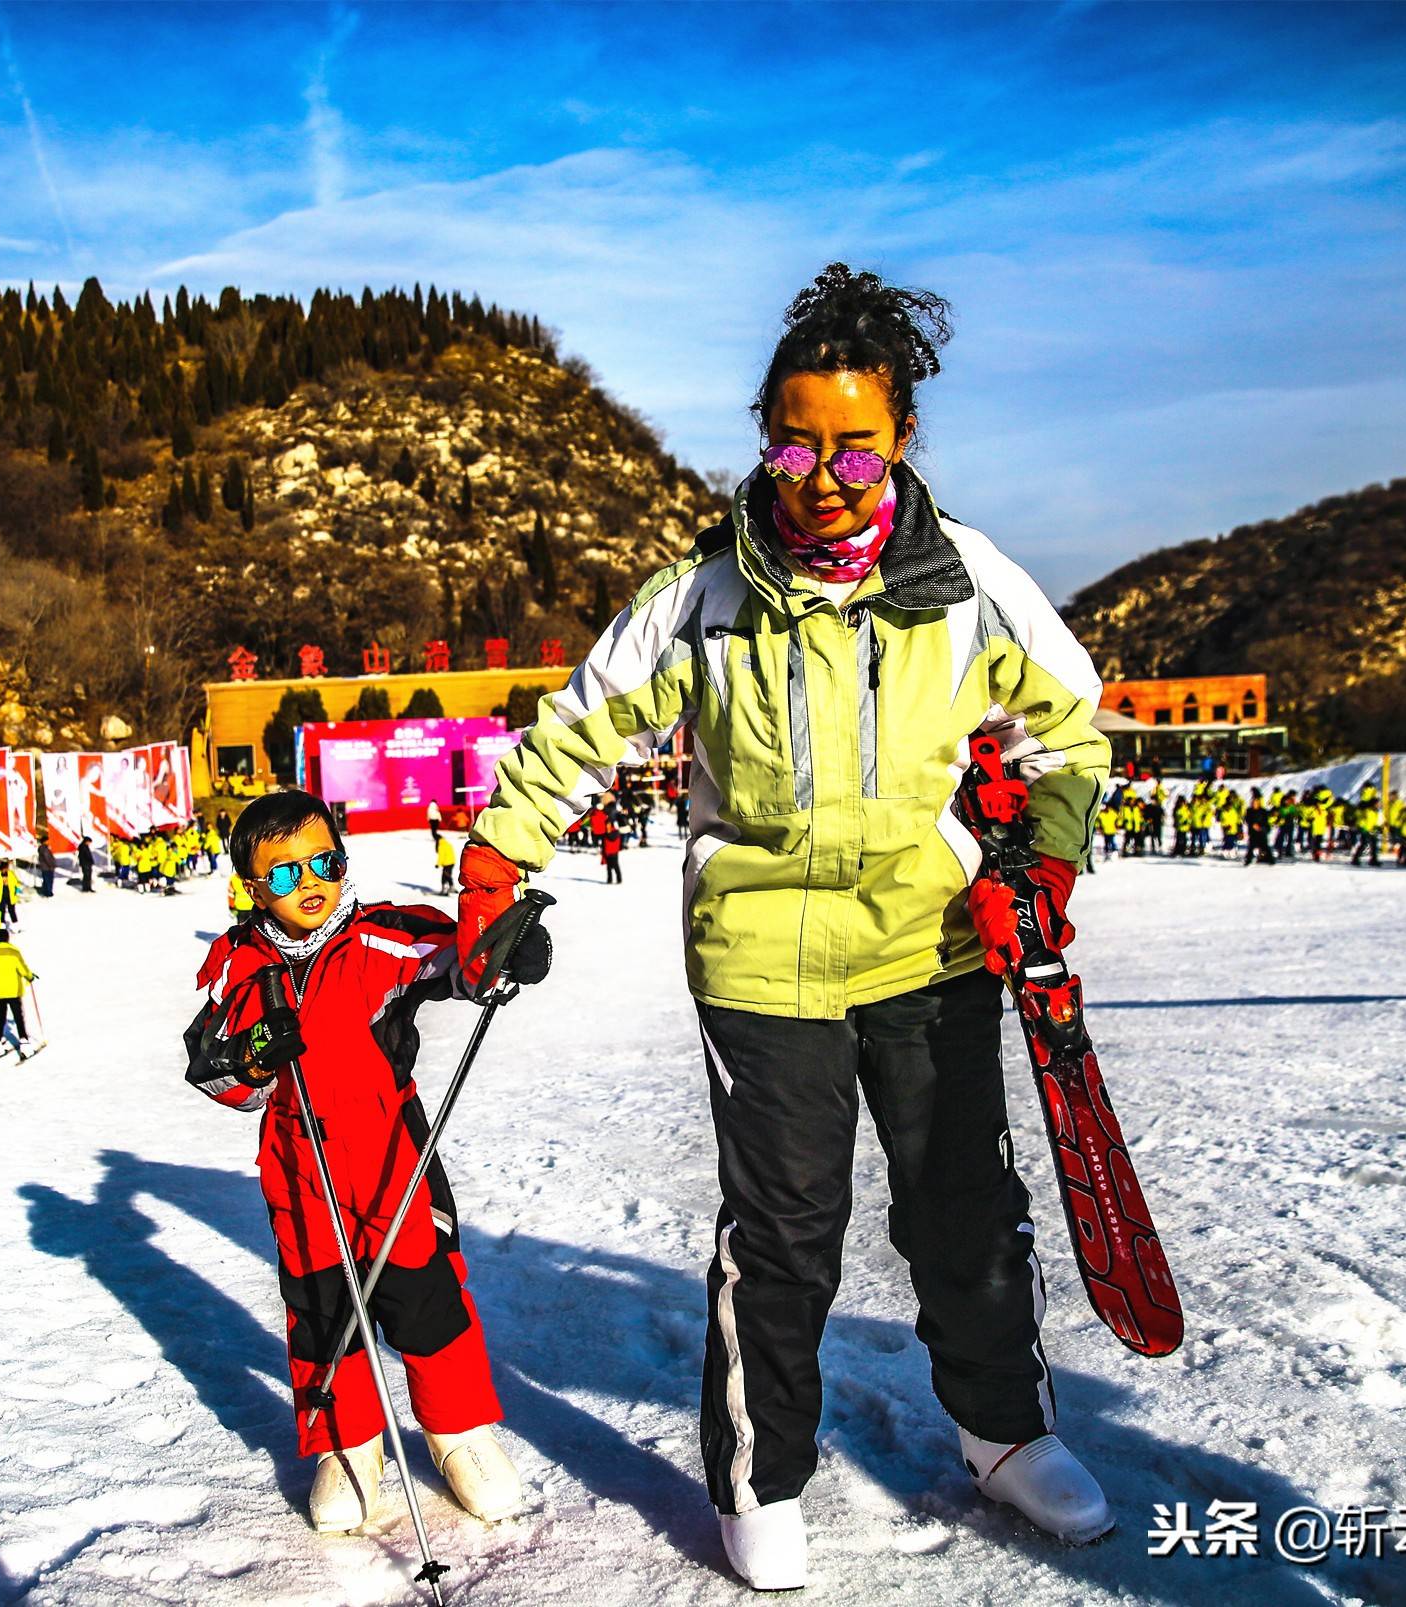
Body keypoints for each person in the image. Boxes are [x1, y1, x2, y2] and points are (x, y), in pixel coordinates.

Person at [459, 264, 1114, 1589]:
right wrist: (494, 857)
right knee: (783, 1223)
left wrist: (1044, 854)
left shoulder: (965, 579)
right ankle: (762, 1473)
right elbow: (574, 731)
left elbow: (1068, 727)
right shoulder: (702, 592)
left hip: (929, 941)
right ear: (766, 433)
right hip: (759, 955)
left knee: (962, 1205)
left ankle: (1001, 1428)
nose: (823, 469)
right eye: (796, 436)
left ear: (899, 439)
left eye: (854, 441)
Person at [185, 791, 548, 1534]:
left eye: (325, 860)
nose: (310, 881)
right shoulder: (239, 968)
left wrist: (505, 948)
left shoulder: (379, 937)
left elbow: (462, 963)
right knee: (323, 1308)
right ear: (253, 889)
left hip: (390, 1153)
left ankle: (457, 1431)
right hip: (299, 1164)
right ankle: (348, 1445)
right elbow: (213, 1071)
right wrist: (254, 1057)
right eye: (283, 874)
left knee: (424, 1293)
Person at [0, 926, 36, 1052]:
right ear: (7, 938)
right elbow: (22, 968)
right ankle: (23, 1040)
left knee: (0, 1015)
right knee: (18, 1015)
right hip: (13, 990)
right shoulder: (14, 953)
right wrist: (30, 976)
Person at [36, 833, 58, 899]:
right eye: (48, 840)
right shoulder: (44, 848)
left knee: (46, 880)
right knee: (48, 880)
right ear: (45, 841)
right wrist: (52, 865)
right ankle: (48, 892)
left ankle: (46, 891)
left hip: (45, 867)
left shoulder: (43, 848)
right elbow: (47, 858)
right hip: (47, 867)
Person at [435, 830, 457, 895]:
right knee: (448, 875)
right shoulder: (448, 843)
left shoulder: (441, 846)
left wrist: (438, 864)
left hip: (447, 863)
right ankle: (451, 887)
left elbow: (441, 856)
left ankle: (445, 890)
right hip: (452, 862)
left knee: (444, 876)